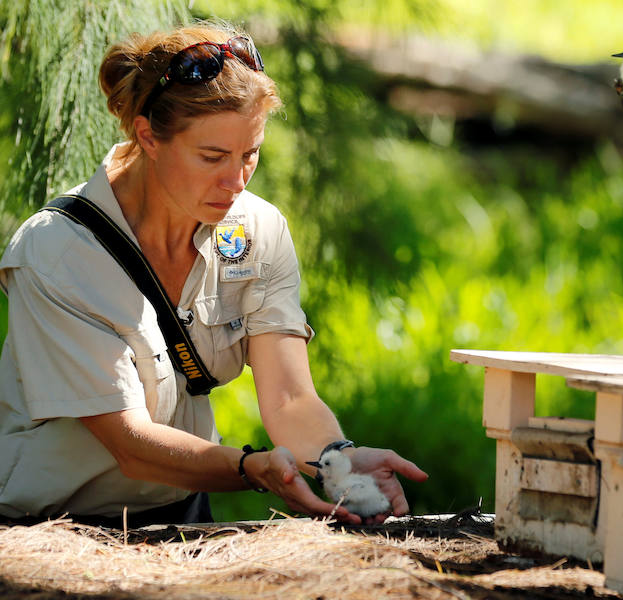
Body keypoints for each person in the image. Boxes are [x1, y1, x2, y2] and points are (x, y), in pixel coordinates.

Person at [0, 22, 428, 528]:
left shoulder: (258, 229)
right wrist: (251, 468)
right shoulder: (55, 252)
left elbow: (289, 397)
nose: (237, 181)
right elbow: (131, 444)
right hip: (49, 529)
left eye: (251, 154)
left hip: (178, 514)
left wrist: (336, 459)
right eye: (212, 157)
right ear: (148, 136)